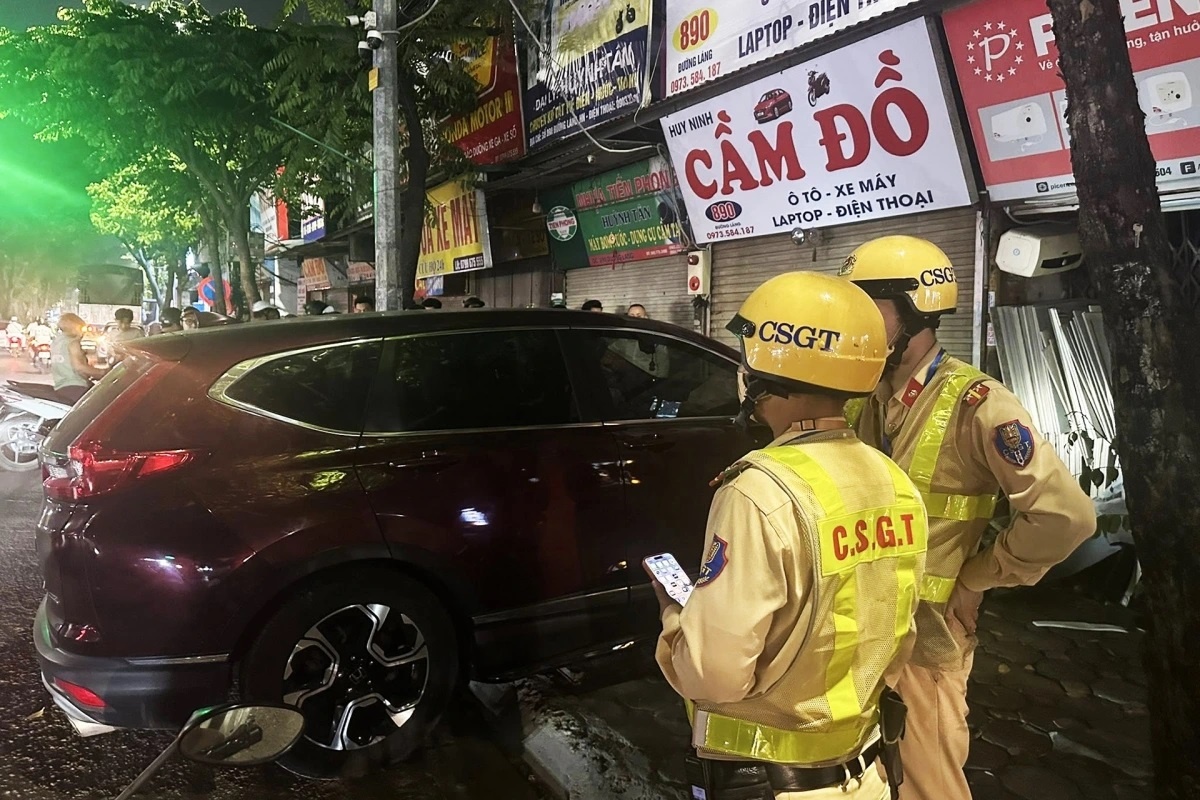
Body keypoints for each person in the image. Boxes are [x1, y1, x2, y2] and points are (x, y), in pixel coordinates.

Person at [652, 271, 929, 800]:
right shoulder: (893, 480)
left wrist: (673, 617)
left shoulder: (758, 492)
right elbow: (897, 636)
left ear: (765, 373)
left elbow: (715, 674)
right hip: (867, 775)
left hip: (772, 784)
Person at [839, 236, 1096, 800]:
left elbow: (1065, 517)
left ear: (915, 310)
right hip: (859, 626)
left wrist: (979, 577)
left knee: (929, 781)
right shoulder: (864, 399)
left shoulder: (978, 404)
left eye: (868, 304)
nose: (853, 320)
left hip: (927, 637)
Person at [51, 313, 105, 405]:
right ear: (74, 327)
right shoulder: (73, 343)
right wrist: (102, 372)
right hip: (75, 386)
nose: (83, 333)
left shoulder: (56, 342)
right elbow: (79, 367)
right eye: (81, 328)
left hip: (61, 386)